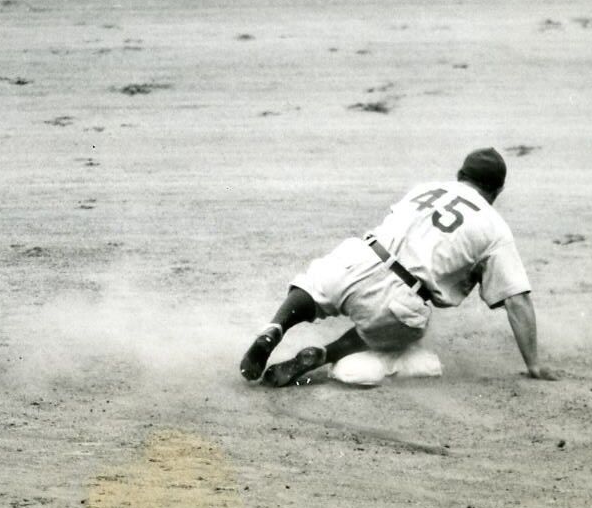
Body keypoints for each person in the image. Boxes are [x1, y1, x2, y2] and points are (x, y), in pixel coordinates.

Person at [239, 148, 558, 387]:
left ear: (460, 176)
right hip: (400, 297)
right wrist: (534, 364)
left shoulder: (425, 188)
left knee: (311, 288)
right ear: (498, 191)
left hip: (360, 256)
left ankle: (276, 327)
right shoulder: (495, 228)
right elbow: (517, 301)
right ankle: (327, 353)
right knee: (400, 328)